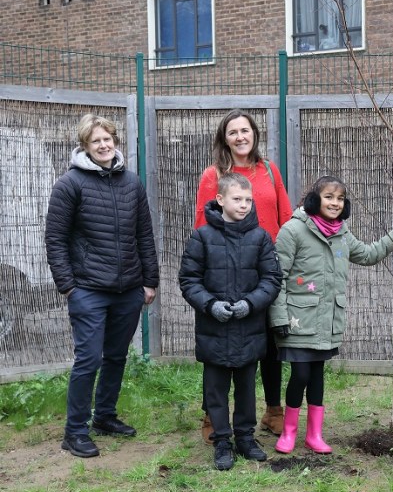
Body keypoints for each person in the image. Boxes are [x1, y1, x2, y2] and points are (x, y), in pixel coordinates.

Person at [270, 175, 393, 454]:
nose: (335, 203)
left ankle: (314, 435)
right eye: (329, 197)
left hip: (327, 321)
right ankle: (288, 432)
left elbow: (368, 254)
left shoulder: (342, 234)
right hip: (298, 320)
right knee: (300, 375)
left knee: (317, 376)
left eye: (340, 198)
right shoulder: (293, 230)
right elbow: (277, 277)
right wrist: (279, 317)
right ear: (315, 199)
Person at [45, 113, 159, 458]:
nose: (103, 145)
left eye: (107, 138)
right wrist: (69, 287)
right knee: (89, 359)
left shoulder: (132, 183)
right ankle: (75, 432)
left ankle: (105, 417)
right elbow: (55, 239)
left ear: (115, 141)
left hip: (129, 289)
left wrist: (149, 281)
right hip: (88, 289)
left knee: (116, 356)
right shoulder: (70, 184)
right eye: (96, 140)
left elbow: (144, 235)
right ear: (85, 145)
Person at [194, 109, 293, 443]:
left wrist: (286, 262)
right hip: (225, 272)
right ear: (224, 138)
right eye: (233, 132)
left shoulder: (269, 170)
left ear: (254, 134)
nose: (240, 137)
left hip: (265, 269)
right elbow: (203, 224)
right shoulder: (213, 175)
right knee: (218, 347)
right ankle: (212, 415)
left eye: (245, 130)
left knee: (270, 344)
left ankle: (273, 411)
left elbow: (285, 217)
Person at [179, 173, 283, 470]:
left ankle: (246, 437)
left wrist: (250, 303)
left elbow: (272, 279)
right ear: (220, 199)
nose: (244, 205)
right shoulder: (202, 237)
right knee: (216, 389)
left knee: (246, 387)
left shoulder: (261, 238)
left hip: (249, 329)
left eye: (248, 200)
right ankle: (222, 440)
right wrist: (210, 304)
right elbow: (189, 280)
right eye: (237, 199)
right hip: (213, 330)